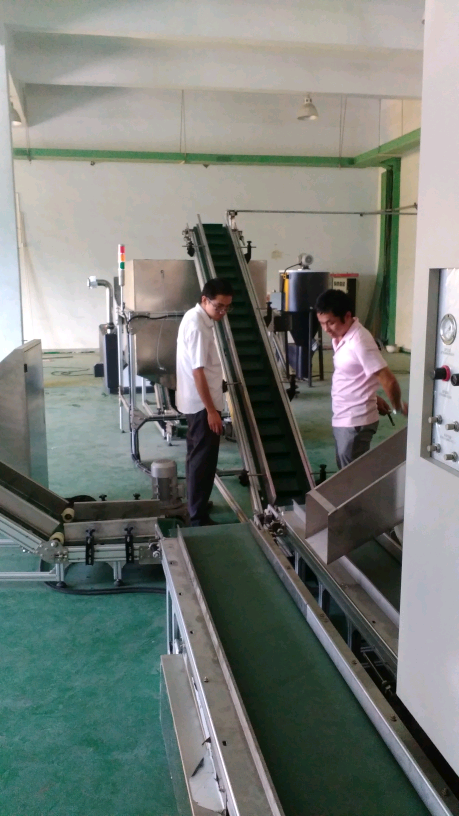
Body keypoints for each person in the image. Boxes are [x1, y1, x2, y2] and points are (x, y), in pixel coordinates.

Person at [315, 289, 408, 470]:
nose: (326, 329)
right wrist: (372, 397)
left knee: (352, 477)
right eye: (322, 323)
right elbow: (356, 374)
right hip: (344, 416)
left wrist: (397, 407)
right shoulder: (342, 336)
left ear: (347, 316)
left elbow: (388, 380)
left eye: (330, 322)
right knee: (347, 471)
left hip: (355, 421)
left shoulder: (359, 341)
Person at [176, 278, 233, 526]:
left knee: (196, 455)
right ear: (204, 300)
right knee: (204, 460)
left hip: (196, 401)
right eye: (218, 306)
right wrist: (211, 411)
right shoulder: (198, 326)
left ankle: (195, 503)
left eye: (226, 307)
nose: (222, 312)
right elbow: (197, 371)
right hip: (202, 405)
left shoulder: (196, 317)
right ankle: (198, 516)